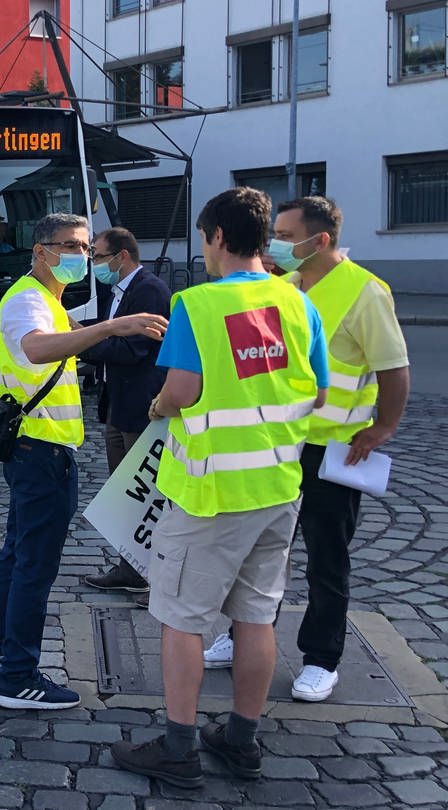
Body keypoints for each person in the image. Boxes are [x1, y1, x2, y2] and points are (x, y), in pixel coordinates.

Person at [111, 187, 328, 789]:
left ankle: (178, 749)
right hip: (279, 488)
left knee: (181, 618)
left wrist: (157, 404)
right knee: (257, 618)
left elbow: (181, 389)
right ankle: (240, 739)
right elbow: (320, 392)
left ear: (219, 237)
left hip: (209, 493)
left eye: (205, 239)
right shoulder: (297, 301)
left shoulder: (197, 305)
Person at [202, 197, 411, 702]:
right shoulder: (286, 286)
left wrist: (383, 427)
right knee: (260, 550)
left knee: (326, 557)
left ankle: (322, 658)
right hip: (278, 443)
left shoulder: (365, 291)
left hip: (333, 448)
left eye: (285, 234)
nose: (275, 242)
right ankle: (243, 634)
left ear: (319, 240)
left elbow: (394, 368)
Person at [0, 212, 168, 710]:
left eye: (85, 246)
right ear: (41, 251)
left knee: (17, 553)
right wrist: (113, 326)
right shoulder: (27, 300)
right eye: (72, 246)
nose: (82, 256)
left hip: (41, 449)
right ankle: (17, 678)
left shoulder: (48, 300)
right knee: (34, 563)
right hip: (40, 451)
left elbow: (66, 338)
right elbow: (36, 349)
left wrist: (106, 328)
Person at [81, 227, 172, 598]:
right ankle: (129, 566)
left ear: (122, 256)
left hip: (141, 406)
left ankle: (142, 569)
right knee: (123, 490)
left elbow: (132, 350)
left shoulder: (148, 290)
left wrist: (81, 342)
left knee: (140, 491)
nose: (95, 264)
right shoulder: (117, 289)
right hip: (119, 404)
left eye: (99, 256)